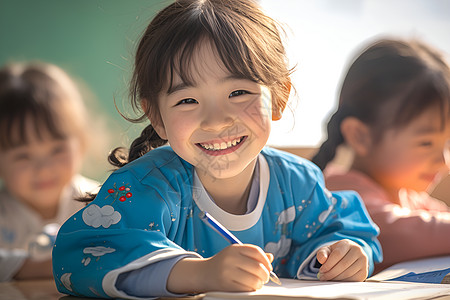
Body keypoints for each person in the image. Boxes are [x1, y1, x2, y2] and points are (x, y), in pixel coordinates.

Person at [52, 0, 382, 298]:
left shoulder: (299, 183)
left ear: (279, 96)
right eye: (187, 100)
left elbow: (339, 232)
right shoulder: (146, 187)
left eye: (238, 92)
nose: (216, 121)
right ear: (157, 116)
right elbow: (81, 259)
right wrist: (200, 273)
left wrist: (344, 254)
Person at [312, 38, 450, 273]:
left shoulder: (410, 197)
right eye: (426, 142)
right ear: (360, 136)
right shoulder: (339, 193)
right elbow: (395, 232)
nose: (444, 162)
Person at [0, 62, 99, 281]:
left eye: (57, 150)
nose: (44, 168)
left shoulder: (100, 203)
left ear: (81, 142)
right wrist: (36, 267)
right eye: (23, 156)